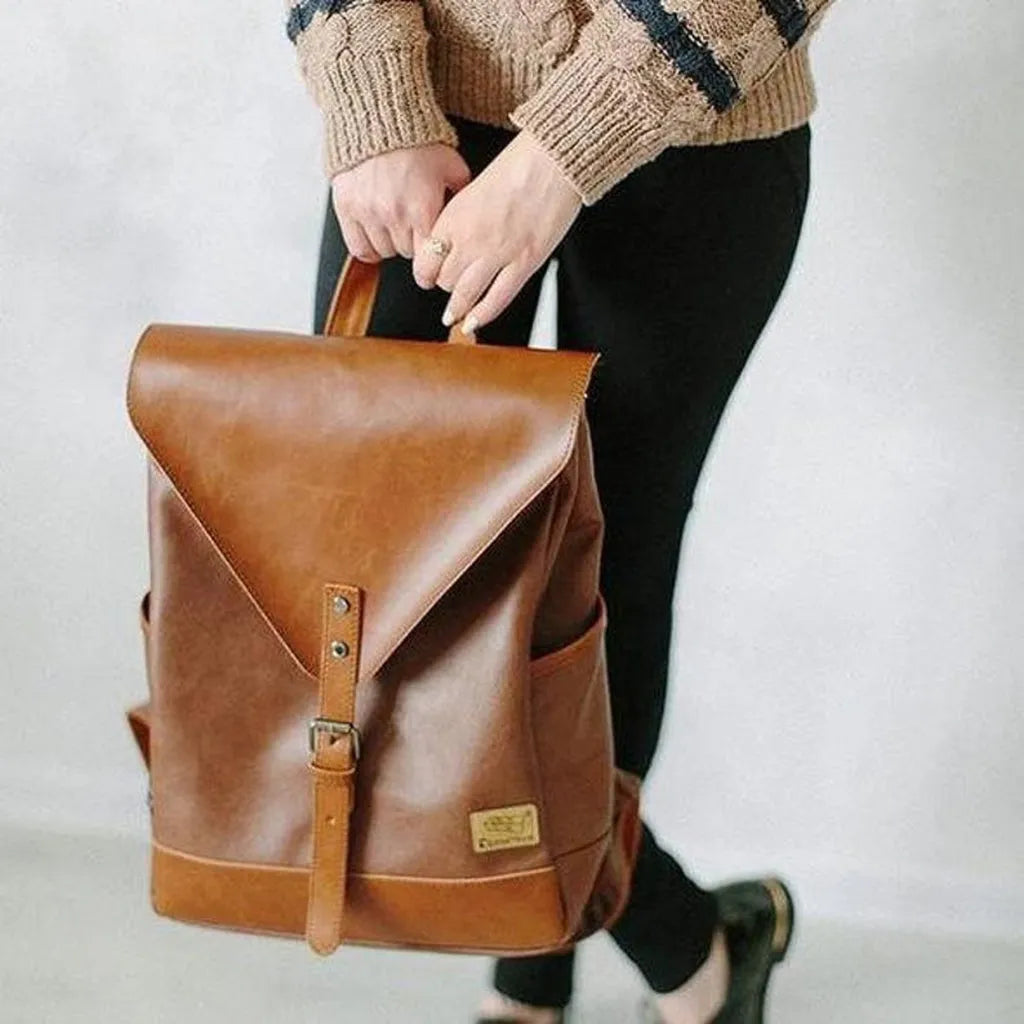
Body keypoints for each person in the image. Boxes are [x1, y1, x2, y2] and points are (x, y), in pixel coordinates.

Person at [286, 1, 838, 1021]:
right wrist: (370, 94)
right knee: (391, 585)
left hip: (698, 125)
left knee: (604, 576)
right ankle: (686, 938)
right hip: (417, 126)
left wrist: (561, 152)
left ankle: (530, 989)